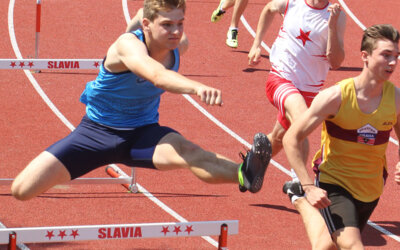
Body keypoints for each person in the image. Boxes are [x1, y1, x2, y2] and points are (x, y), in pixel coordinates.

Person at [11, 0, 272, 201]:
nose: (176, 31)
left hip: (143, 135)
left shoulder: (179, 46)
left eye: (180, 23)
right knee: (22, 190)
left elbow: (144, 20)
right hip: (95, 134)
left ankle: (244, 173)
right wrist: (197, 87)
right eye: (167, 25)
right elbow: (156, 76)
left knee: (189, 152)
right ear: (147, 24)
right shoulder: (126, 45)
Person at [282, 24, 400, 249]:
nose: (393, 62)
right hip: (334, 182)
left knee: (325, 246)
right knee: (353, 245)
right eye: (386, 55)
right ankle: (302, 190)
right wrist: (309, 185)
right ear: (364, 56)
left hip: (371, 187)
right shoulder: (335, 97)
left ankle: (297, 197)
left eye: (396, 56)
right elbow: (291, 138)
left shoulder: (396, 99)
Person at [247, 0, 346, 162]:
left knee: (279, 139)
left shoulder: (338, 16)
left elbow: (335, 62)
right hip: (280, 78)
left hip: (309, 90)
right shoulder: (292, 2)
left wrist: (332, 26)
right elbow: (269, 9)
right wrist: (256, 44)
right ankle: (299, 181)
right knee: (301, 120)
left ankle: (246, 168)